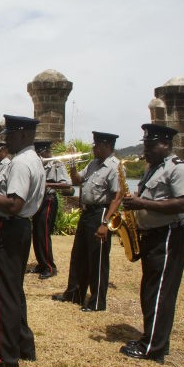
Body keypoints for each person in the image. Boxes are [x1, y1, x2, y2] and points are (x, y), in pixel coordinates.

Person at [119, 124, 184, 364]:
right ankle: (152, 338)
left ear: (166, 144)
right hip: (153, 235)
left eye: (151, 145)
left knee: (160, 292)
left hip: (169, 235)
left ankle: (153, 348)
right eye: (145, 144)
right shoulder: (152, 169)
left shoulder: (179, 169)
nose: (146, 149)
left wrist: (142, 204)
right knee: (150, 290)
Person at [0, 115, 45, 367]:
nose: (6, 140)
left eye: (11, 135)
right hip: (19, 229)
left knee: (2, 294)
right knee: (14, 291)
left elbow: (14, 205)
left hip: (7, 228)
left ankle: (6, 357)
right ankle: (23, 345)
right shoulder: (31, 159)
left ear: (24, 135)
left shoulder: (21, 163)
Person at [52, 131, 123, 312]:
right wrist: (73, 165)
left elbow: (117, 197)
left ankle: (97, 301)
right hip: (87, 212)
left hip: (101, 212)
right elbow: (76, 180)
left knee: (97, 258)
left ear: (107, 146)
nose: (93, 148)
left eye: (97, 145)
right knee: (79, 255)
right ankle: (75, 293)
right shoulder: (93, 164)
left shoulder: (115, 167)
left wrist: (105, 223)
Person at [29, 141, 71, 279]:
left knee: (43, 233)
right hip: (37, 200)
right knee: (36, 232)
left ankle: (49, 266)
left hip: (48, 199)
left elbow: (67, 184)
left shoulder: (56, 164)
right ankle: (41, 263)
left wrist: (48, 184)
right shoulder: (37, 165)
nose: (39, 156)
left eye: (40, 153)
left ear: (47, 152)